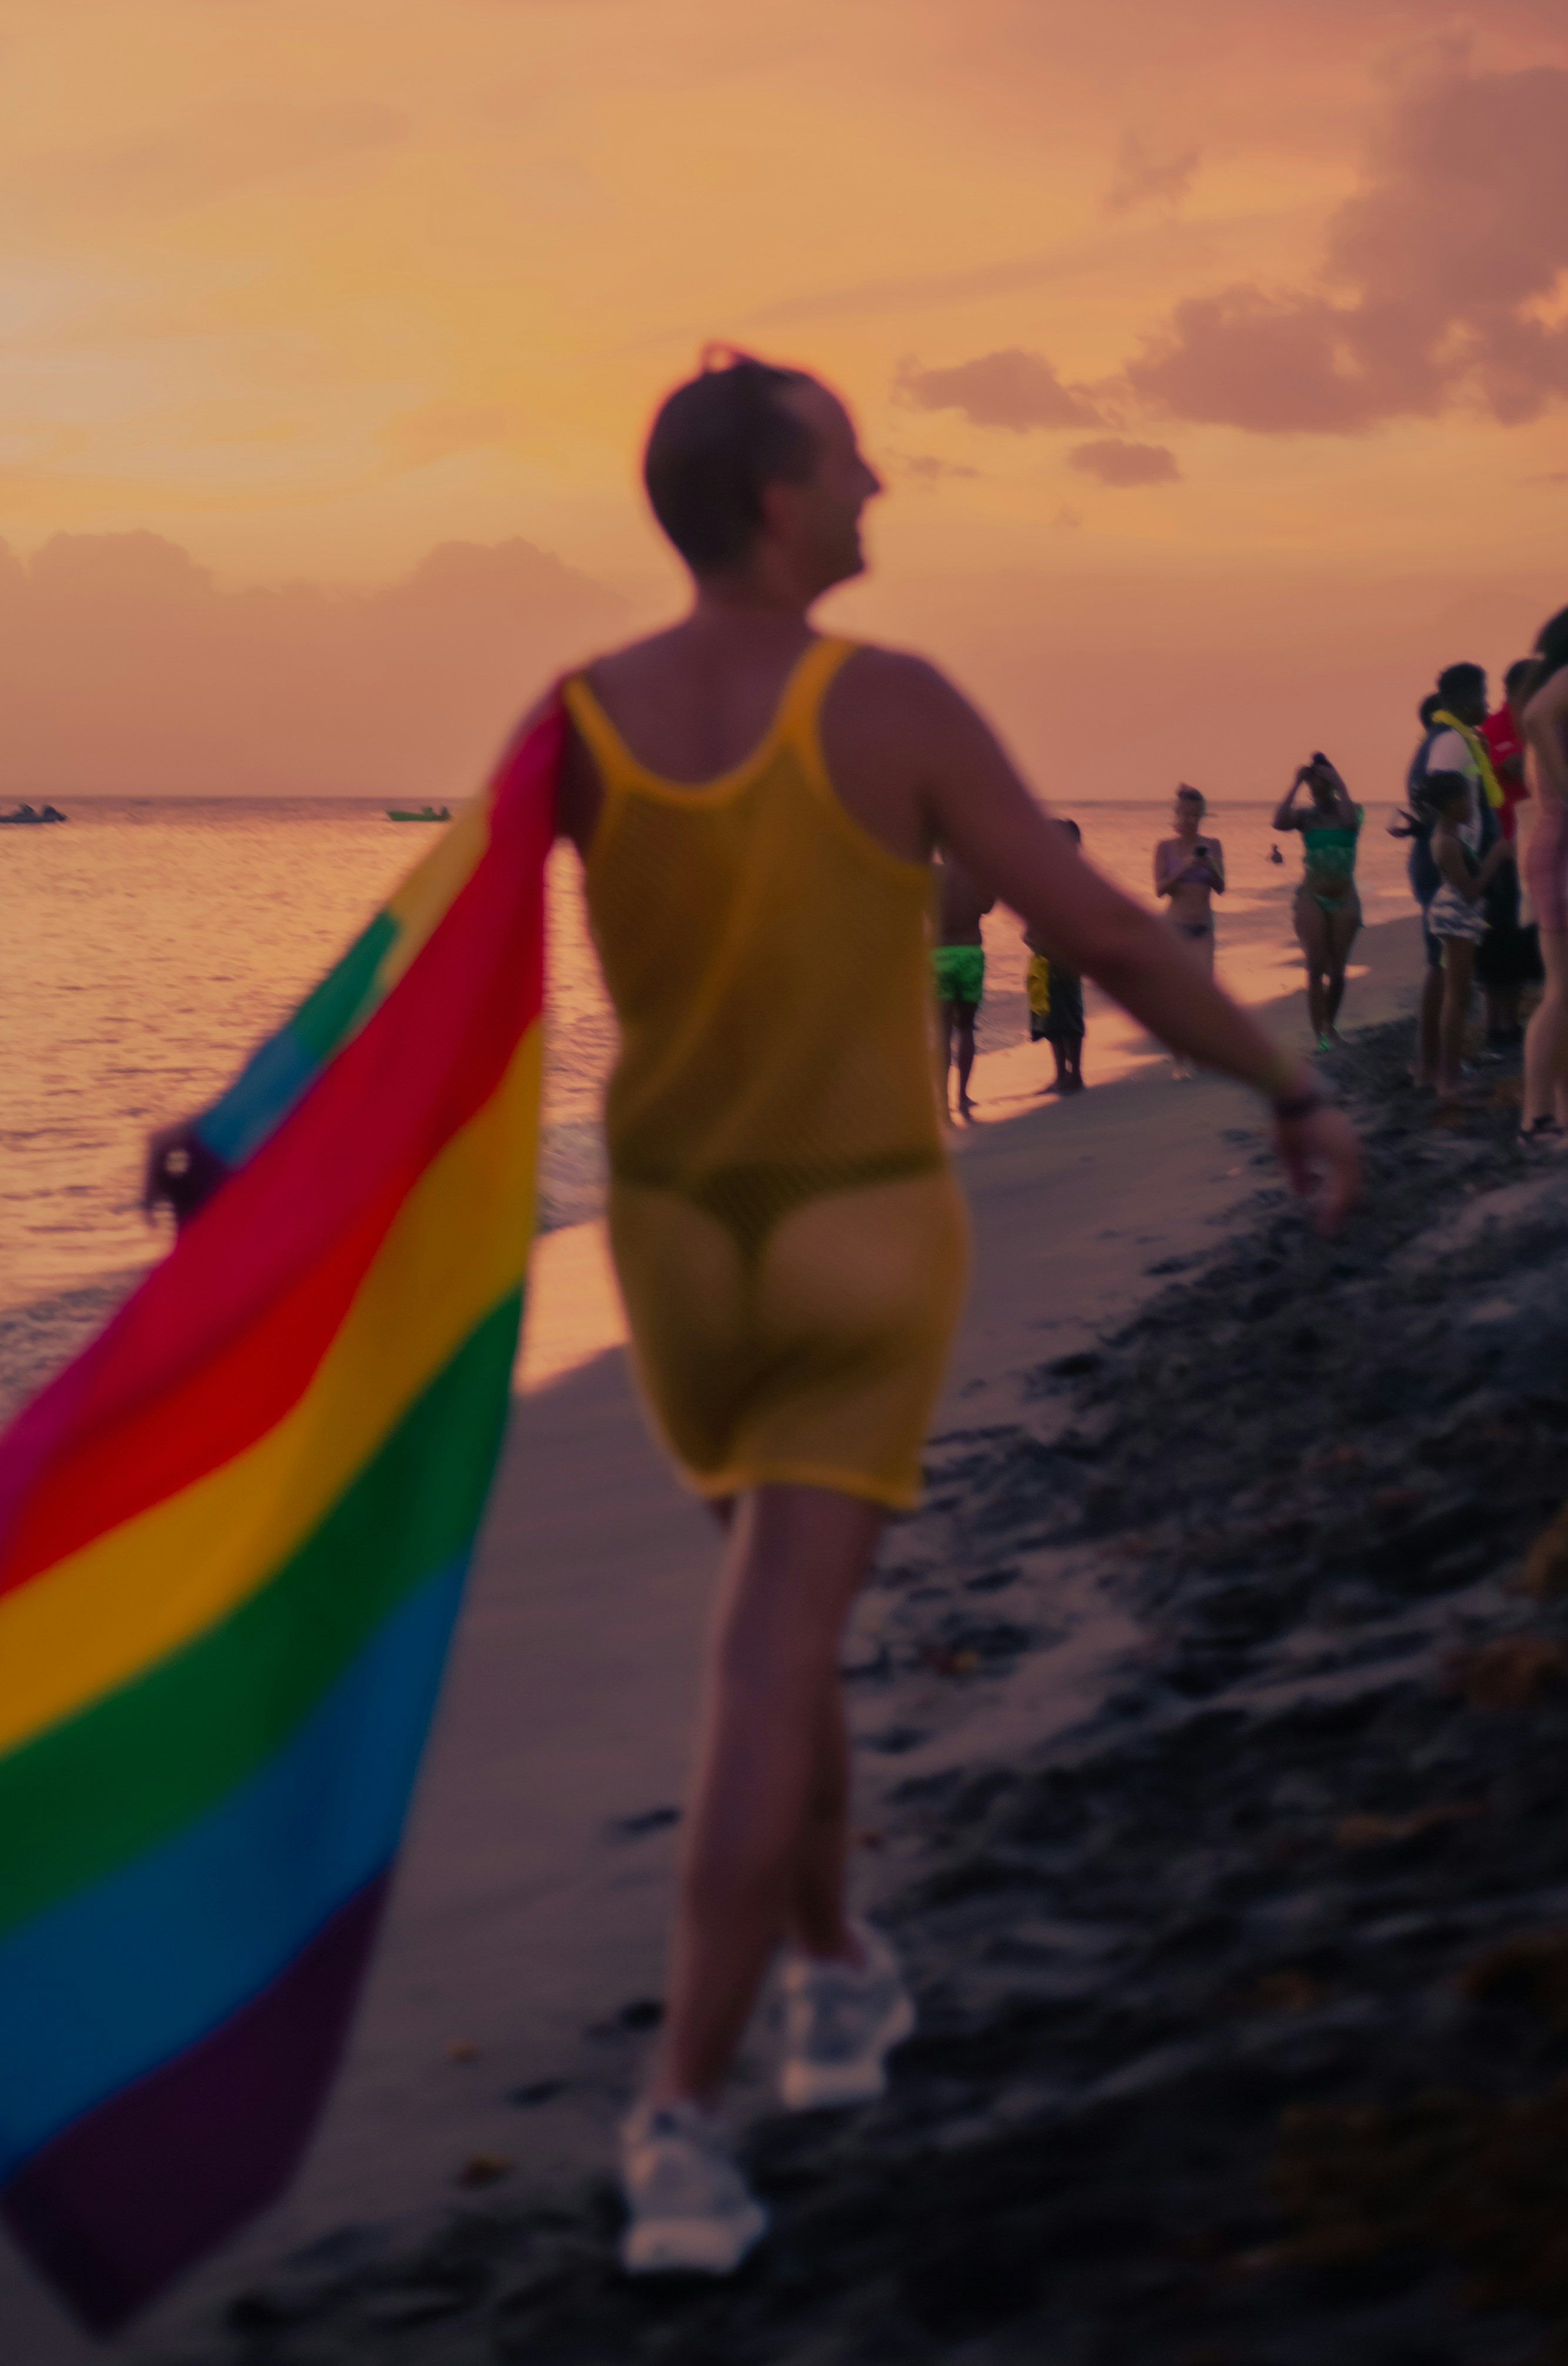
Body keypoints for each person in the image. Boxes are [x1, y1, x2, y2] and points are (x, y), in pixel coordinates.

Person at [543, 350, 1359, 2276]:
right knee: (766, 1644)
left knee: (779, 1612)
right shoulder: (882, 701)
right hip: (851, 1223)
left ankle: (833, 1973)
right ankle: (676, 2113)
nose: (877, 489)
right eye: (847, 463)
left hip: (666, 1233)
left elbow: (424, 959)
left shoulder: (575, 718)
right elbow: (1098, 927)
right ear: (770, 498)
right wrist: (1288, 1084)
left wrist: (245, 1131)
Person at [1394, 665, 1502, 1089]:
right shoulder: (1452, 743)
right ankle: (1435, 1068)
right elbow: (1437, 796)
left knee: (1442, 970)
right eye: (1481, 695)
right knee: (1445, 973)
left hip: (1446, 864)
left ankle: (1432, 1065)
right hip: (1447, 872)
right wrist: (1478, 854)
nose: (1486, 704)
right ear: (1461, 699)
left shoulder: (1448, 738)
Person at [1422, 770, 1514, 1102]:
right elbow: (1470, 892)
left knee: (1459, 995)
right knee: (1457, 997)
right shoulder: (1447, 843)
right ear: (1449, 803)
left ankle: (1453, 1070)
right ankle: (1449, 1080)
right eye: (1466, 798)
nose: (1471, 804)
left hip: (1458, 915)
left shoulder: (1449, 834)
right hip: (1457, 916)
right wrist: (1496, 857)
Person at [1273, 753, 1363, 1048]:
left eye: (1321, 785)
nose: (1316, 791)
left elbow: (1350, 823)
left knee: (1337, 972)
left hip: (1345, 899)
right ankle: (1320, 1037)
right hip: (1312, 897)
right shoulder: (1306, 817)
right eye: (1313, 787)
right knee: (1315, 968)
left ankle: (1331, 1026)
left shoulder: (1353, 810)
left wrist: (1339, 780)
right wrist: (1296, 782)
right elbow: (1278, 821)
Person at [1518, 609, 1568, 1142]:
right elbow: (1534, 717)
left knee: (1564, 993)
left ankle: (1558, 1115)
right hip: (1560, 850)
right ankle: (1537, 1119)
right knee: (1562, 994)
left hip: (1553, 846)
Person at [1478, 659, 1544, 1049]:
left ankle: (1514, 1025)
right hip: (1502, 850)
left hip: (1538, 850)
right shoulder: (1495, 729)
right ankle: (1496, 1029)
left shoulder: (1540, 724)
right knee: (1499, 943)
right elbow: (1515, 767)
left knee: (1526, 945)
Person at [1153, 786, 1224, 1076]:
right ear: (1177, 813)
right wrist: (1184, 868)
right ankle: (1179, 1060)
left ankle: (1201, 1053)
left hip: (1203, 925)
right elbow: (1160, 889)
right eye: (1186, 813)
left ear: (1202, 815)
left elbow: (1221, 887)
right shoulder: (1166, 848)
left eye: (1197, 814)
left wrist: (1209, 866)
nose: (1191, 819)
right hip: (1175, 926)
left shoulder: (1213, 845)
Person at [1023, 820, 1087, 1092]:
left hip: (1066, 956)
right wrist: (1030, 935)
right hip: (1044, 955)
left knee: (1069, 1017)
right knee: (1050, 1017)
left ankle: (1074, 1074)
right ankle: (1062, 1073)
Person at [934, 854, 995, 1121]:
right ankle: (962, 1097)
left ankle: (942, 1102)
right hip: (970, 953)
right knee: (967, 1028)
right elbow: (987, 905)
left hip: (939, 955)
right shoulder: (976, 874)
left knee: (943, 1031)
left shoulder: (931, 875)